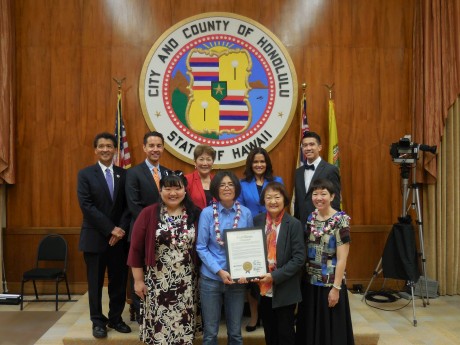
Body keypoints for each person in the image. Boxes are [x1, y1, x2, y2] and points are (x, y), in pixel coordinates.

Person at [127, 172, 202, 344]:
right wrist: (138, 281)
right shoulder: (148, 214)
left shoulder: (195, 214)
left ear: (185, 191)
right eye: (168, 188)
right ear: (160, 191)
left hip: (187, 284)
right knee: (160, 330)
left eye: (177, 188)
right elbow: (136, 249)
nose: (173, 193)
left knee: (182, 329)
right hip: (158, 284)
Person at [77, 132, 132, 338]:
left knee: (118, 282)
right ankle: (97, 321)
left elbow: (128, 207)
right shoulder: (85, 174)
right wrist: (111, 229)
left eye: (110, 146)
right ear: (95, 150)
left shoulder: (124, 174)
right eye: (101, 146)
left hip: (119, 240)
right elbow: (87, 206)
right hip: (95, 239)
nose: (106, 149)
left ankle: (116, 318)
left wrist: (121, 230)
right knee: (95, 282)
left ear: (115, 150)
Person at [196, 171, 254, 345]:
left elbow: (250, 245)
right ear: (216, 189)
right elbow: (201, 246)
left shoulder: (245, 213)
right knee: (210, 333)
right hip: (211, 278)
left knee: (236, 333)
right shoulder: (207, 213)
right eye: (222, 184)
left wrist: (247, 271)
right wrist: (219, 271)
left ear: (236, 188)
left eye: (230, 184)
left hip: (237, 280)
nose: (227, 188)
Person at [295, 179, 354, 345]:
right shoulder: (311, 218)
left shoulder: (341, 221)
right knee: (309, 328)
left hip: (330, 284)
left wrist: (336, 288)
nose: (318, 197)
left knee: (330, 331)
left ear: (333, 196)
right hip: (310, 283)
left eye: (323, 194)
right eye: (315, 194)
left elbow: (342, 258)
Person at [252, 181, 305, 345]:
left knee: (285, 334)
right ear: (263, 201)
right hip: (263, 288)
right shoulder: (258, 221)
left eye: (277, 197)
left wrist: (274, 276)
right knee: (269, 332)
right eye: (268, 197)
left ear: (284, 199)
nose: (273, 201)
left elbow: (298, 259)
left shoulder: (294, 224)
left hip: (285, 288)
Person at [237, 147, 283, 332]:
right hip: (252, 234)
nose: (259, 164)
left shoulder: (277, 181)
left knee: (272, 272)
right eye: (255, 161)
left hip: (274, 232)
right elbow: (239, 208)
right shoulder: (242, 183)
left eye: (262, 161)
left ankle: (269, 315)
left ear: (267, 163)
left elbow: (281, 203)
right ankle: (255, 316)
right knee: (254, 277)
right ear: (250, 163)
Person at [126, 131, 170, 321]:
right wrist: (154, 226)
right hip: (142, 233)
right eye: (151, 146)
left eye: (158, 146)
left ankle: (160, 311)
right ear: (144, 148)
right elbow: (134, 205)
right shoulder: (133, 173)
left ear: (163, 148)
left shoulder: (168, 173)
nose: (155, 149)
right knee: (139, 275)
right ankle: (141, 314)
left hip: (165, 235)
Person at [294, 131, 341, 229]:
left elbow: (335, 201)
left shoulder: (331, 170)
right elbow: (298, 204)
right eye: (305, 145)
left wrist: (329, 227)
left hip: (323, 227)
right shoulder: (298, 172)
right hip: (301, 228)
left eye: (312, 144)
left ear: (319, 147)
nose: (308, 148)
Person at [185, 144, 216, 210]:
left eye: (208, 159)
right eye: (201, 159)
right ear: (195, 162)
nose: (205, 163)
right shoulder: (187, 180)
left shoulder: (218, 181)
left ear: (213, 162)